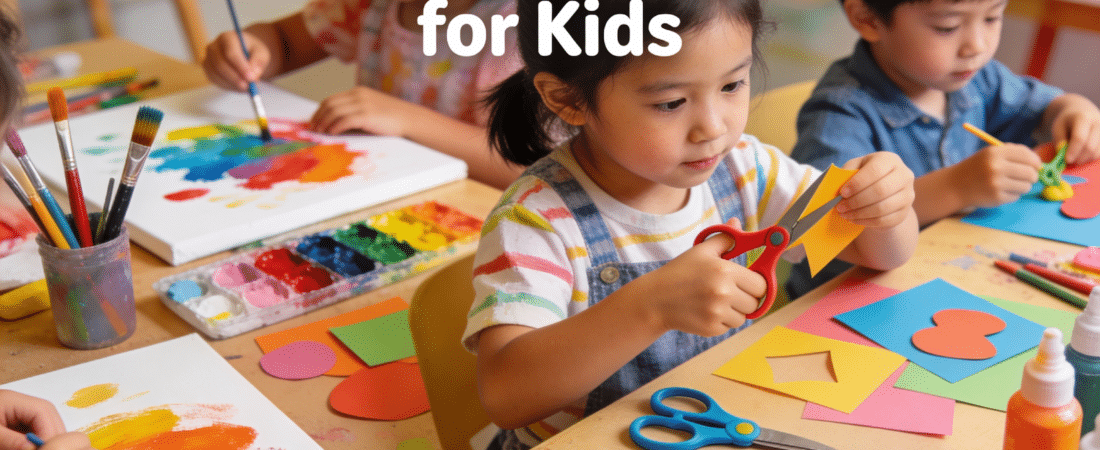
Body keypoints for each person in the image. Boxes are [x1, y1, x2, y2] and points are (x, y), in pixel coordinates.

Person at [461, 1, 920, 448]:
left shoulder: (745, 170)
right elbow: (505, 396)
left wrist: (884, 209)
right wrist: (649, 307)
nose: (713, 128)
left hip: (717, 426)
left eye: (732, 85)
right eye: (671, 102)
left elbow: (877, 255)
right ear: (568, 99)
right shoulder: (536, 220)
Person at [786, 0, 1100, 298]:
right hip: (847, 300)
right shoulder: (839, 116)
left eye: (992, 17)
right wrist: (956, 187)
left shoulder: (977, 79)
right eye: (947, 27)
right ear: (867, 18)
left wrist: (1073, 111)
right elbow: (826, 226)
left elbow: (1044, 107)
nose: (976, 46)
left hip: (953, 269)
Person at [201, 0, 525, 190]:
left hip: (484, 223)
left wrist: (407, 120)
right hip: (375, 192)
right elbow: (285, 42)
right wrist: (249, 50)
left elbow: (528, 167)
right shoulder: (369, 5)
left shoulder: (530, 29)